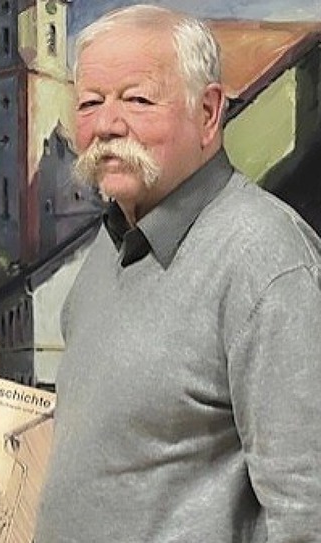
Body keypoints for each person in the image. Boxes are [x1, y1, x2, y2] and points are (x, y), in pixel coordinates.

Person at [35, 4, 321, 542]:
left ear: (209, 112)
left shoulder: (267, 259)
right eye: (90, 103)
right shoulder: (115, 237)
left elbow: (309, 510)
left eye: (138, 99)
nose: (107, 125)